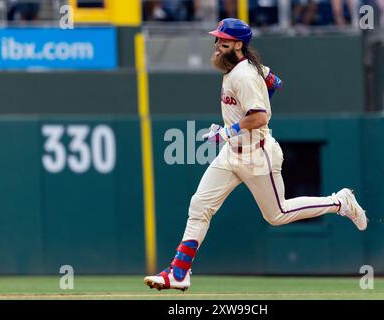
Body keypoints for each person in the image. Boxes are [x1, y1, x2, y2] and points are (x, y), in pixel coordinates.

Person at [144, 18, 368, 291]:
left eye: (223, 40)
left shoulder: (244, 74)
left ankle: (339, 202)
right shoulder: (248, 68)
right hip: (232, 154)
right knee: (200, 207)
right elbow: (275, 82)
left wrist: (229, 131)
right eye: (216, 39)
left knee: (277, 214)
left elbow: (260, 117)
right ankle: (179, 272)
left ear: (238, 44)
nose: (216, 45)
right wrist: (237, 124)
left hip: (257, 153)